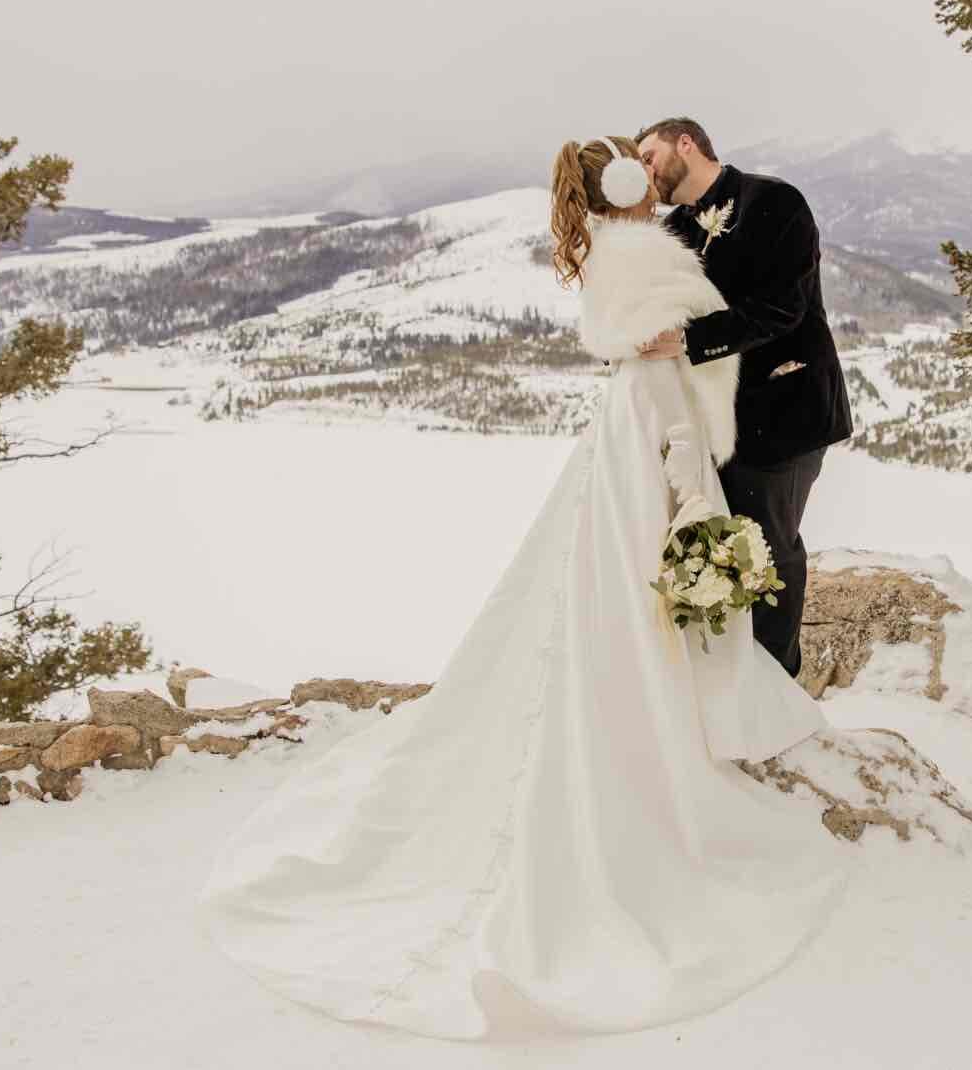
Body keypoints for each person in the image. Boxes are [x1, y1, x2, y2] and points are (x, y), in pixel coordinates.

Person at [195, 136, 848, 1042]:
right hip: (655, 424)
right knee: (654, 588)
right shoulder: (648, 250)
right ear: (626, 182)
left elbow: (706, 326)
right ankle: (691, 729)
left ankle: (683, 702)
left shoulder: (640, 241)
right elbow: (672, 358)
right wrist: (691, 477)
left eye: (657, 158)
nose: (652, 176)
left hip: (637, 429)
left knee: (614, 590)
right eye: (639, 166)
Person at [635, 118, 852, 679]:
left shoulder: (775, 201)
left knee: (771, 551)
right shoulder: (674, 229)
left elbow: (785, 308)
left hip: (786, 409)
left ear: (686, 143)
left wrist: (688, 341)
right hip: (716, 422)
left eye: (649, 155)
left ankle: (780, 686)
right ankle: (732, 687)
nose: (644, 169)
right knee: (723, 551)